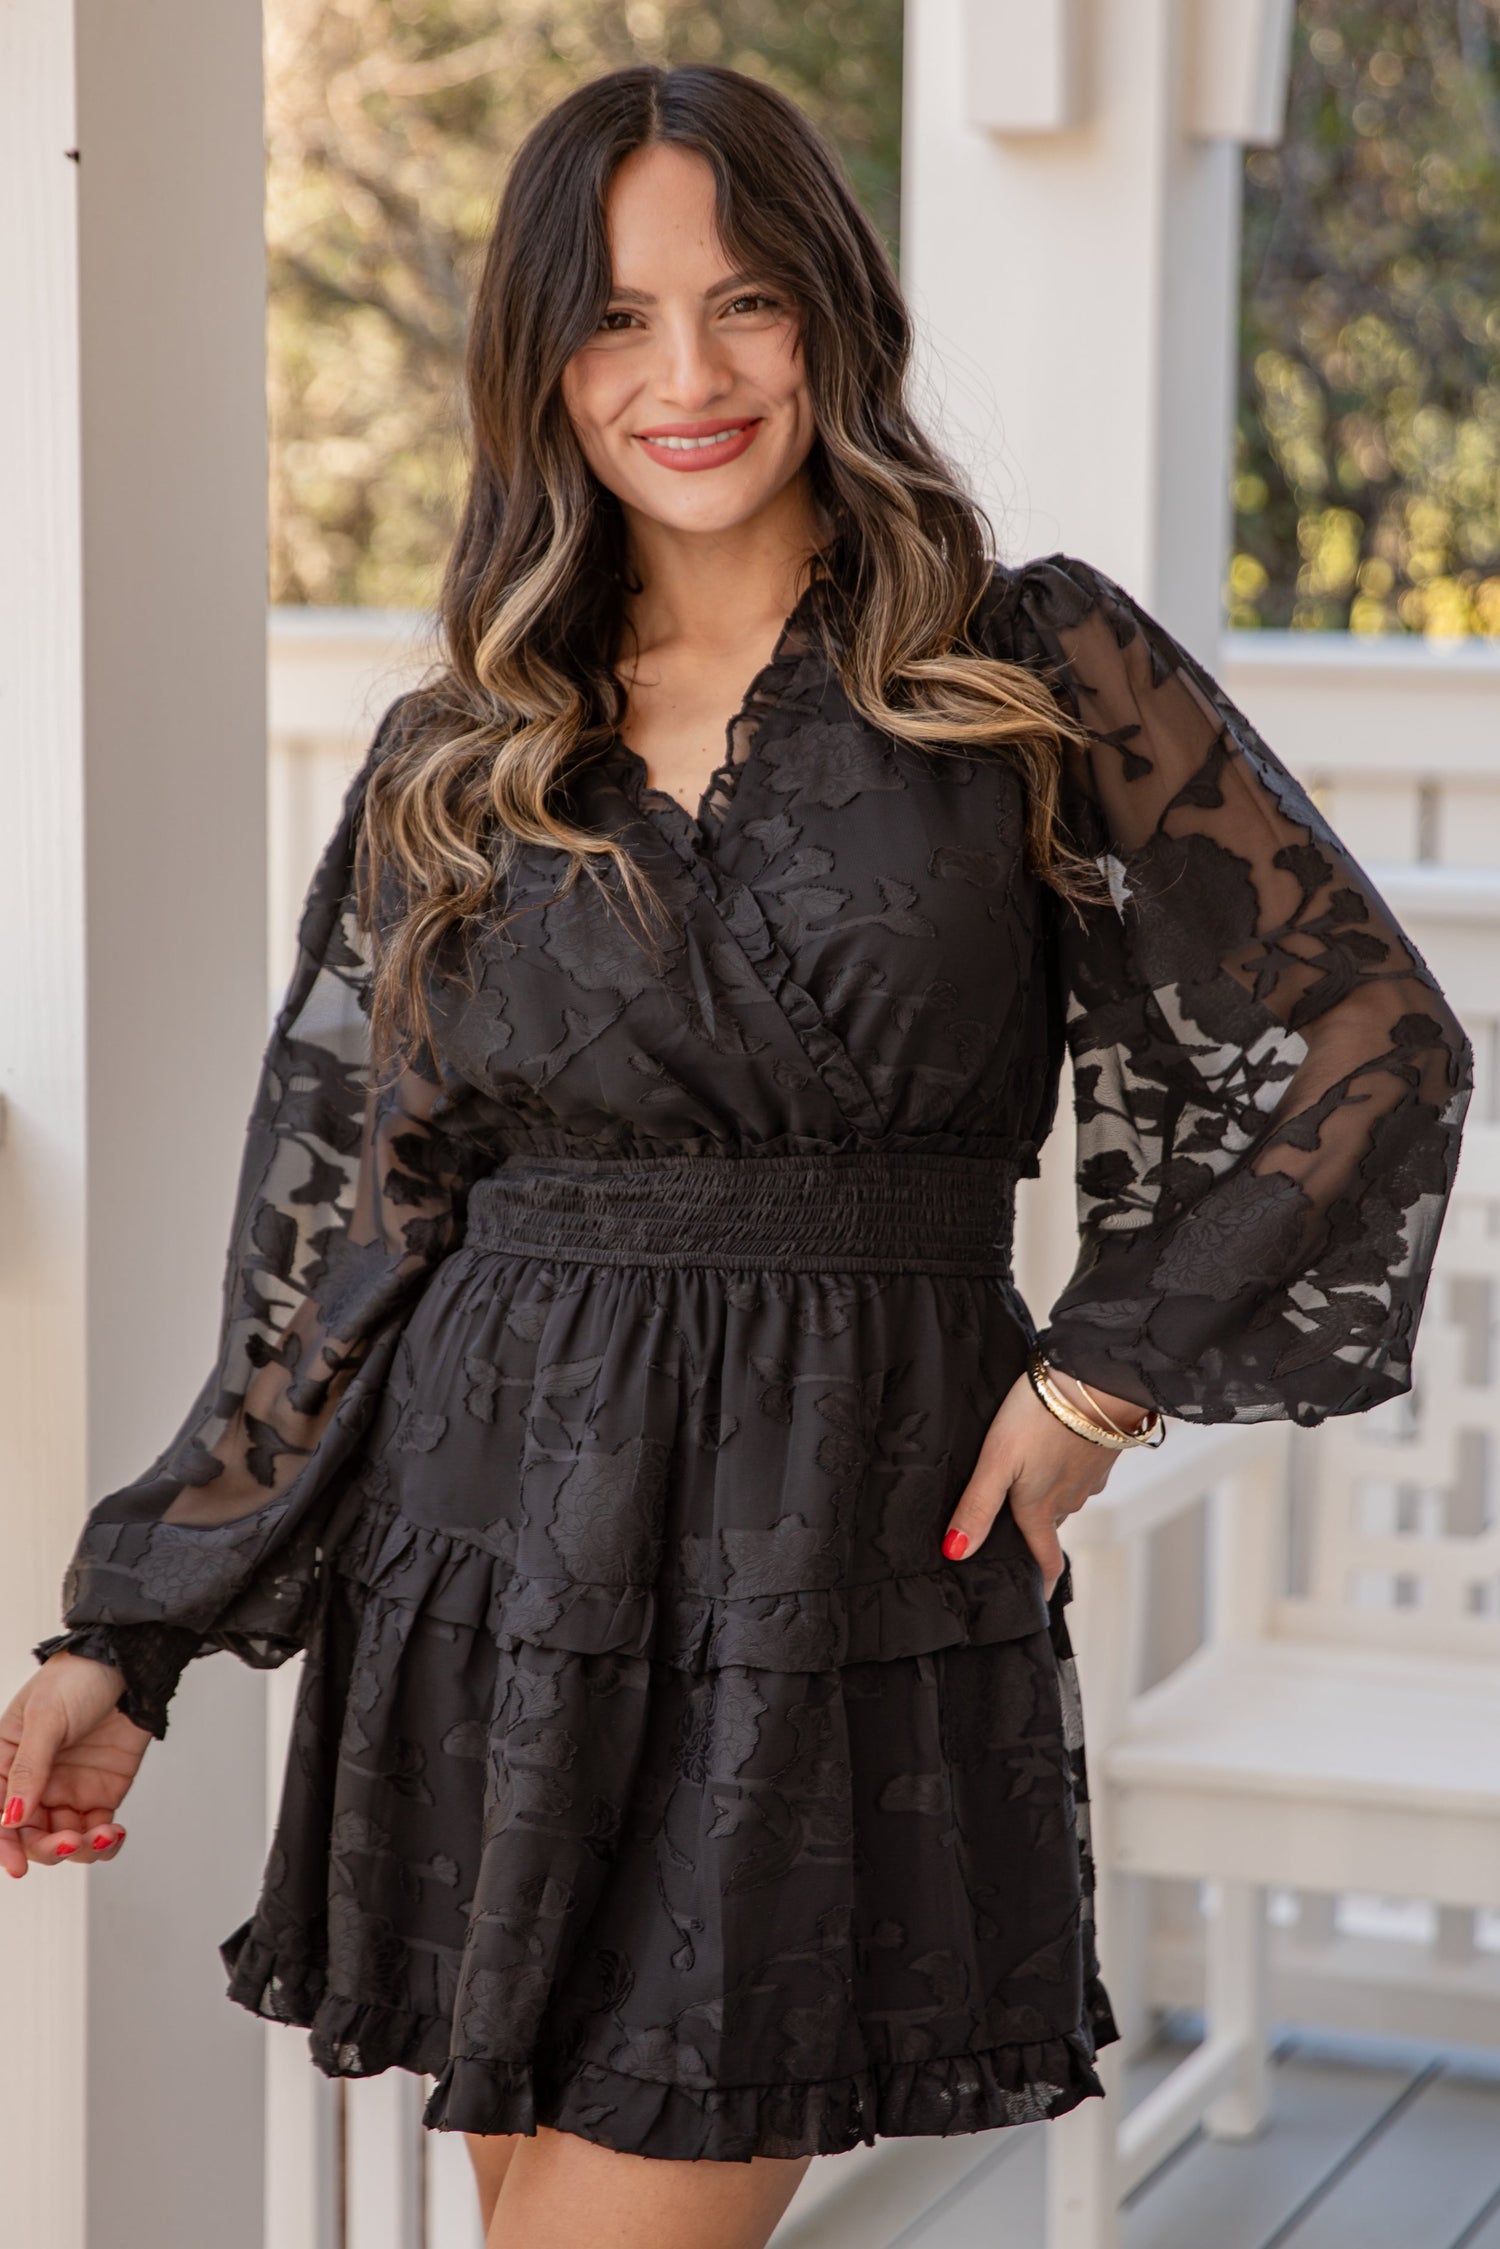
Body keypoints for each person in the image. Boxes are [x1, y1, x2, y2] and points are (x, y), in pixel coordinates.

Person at [0, 60, 1471, 2249]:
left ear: (833, 319)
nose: (686, 375)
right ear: (538, 362)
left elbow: (1364, 1028)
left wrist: (1094, 1379)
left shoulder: (1026, 663)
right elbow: (341, 1220)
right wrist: (133, 1628)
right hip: (495, 1560)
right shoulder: (463, 749)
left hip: (834, 1551)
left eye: (747, 302)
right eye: (613, 320)